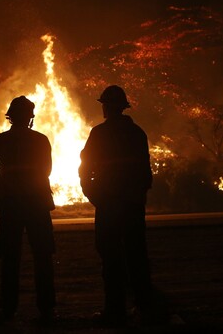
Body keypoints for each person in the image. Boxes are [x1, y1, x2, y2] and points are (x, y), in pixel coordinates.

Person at [79, 85, 153, 327]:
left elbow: (85, 168)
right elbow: (145, 173)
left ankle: (115, 310)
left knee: (110, 257)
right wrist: (137, 195)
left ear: (108, 108)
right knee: (136, 256)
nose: (104, 109)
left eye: (105, 105)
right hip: (131, 204)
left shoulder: (99, 134)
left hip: (109, 204)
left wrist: (94, 195)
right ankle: (144, 308)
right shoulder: (138, 133)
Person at [0, 95, 56, 324]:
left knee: (10, 257)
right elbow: (46, 169)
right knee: (43, 256)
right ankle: (46, 308)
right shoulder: (41, 140)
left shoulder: (1, 140)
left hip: (10, 204)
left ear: (11, 116)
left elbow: (1, 159)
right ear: (30, 117)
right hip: (37, 203)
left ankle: (8, 308)